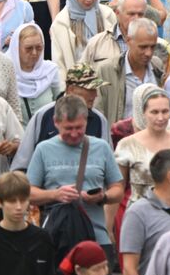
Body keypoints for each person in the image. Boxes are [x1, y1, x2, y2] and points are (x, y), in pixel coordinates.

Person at [26, 95, 123, 259]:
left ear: (86, 121)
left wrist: (102, 197)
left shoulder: (101, 147)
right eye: (68, 128)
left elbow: (118, 190)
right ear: (56, 122)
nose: (74, 133)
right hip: (57, 238)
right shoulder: (43, 149)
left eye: (79, 127)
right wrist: (55, 195)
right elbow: (28, 193)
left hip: (96, 237)